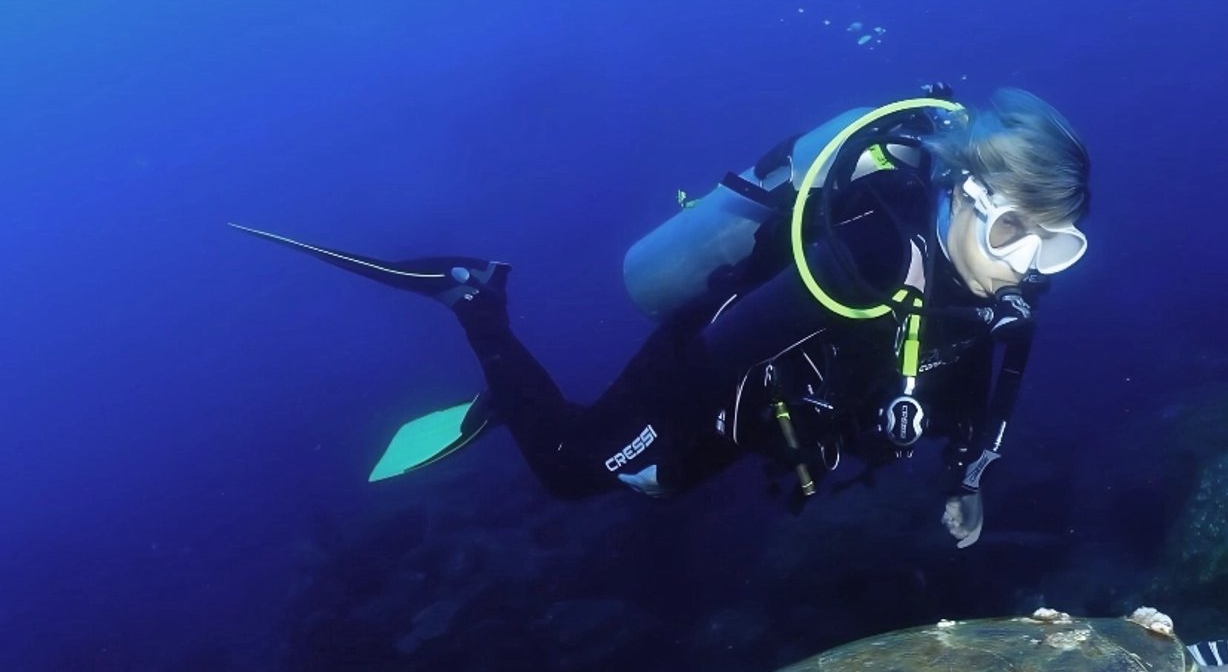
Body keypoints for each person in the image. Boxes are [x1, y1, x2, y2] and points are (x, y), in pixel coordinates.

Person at [236, 87, 1091, 548]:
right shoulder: (865, 258)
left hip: (778, 407)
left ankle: (521, 397)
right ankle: (472, 297)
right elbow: (719, 354)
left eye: (1055, 247)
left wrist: (969, 477)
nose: (1026, 265)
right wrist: (664, 455)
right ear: (960, 195)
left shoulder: (999, 292)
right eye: (1013, 232)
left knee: (655, 484)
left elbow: (993, 375)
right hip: (710, 365)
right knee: (575, 471)